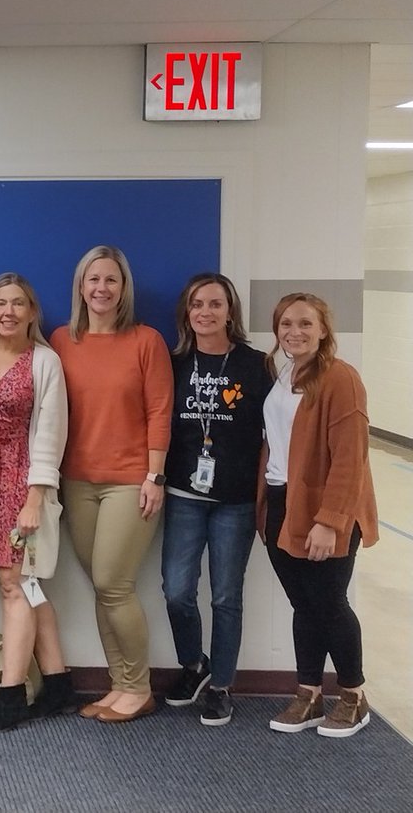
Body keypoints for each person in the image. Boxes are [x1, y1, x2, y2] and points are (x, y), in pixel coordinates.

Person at [49, 245, 172, 724]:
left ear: (124, 289)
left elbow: (160, 411)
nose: (101, 288)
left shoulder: (147, 341)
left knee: (112, 583)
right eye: (93, 280)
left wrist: (154, 475)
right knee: (103, 589)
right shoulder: (61, 340)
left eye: (111, 280)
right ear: (81, 287)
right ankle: (119, 685)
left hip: (130, 483)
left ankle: (138, 687)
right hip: (76, 482)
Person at [0, 274, 75, 735]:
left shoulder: (45, 362)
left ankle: (10, 697)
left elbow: (51, 433)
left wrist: (35, 499)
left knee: (14, 586)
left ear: (32, 312)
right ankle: (59, 684)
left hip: (21, 484)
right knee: (24, 586)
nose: (8, 312)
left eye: (18, 304)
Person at [260, 293, 378, 738]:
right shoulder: (284, 373)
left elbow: (351, 458)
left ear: (324, 330)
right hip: (280, 502)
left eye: (306, 324)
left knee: (329, 603)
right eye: (286, 324)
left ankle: (353, 695)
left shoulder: (341, 378)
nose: (295, 332)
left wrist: (331, 520)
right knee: (304, 604)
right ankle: (308, 692)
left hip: (324, 508)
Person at [161, 273, 271, 727]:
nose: (205, 312)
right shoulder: (173, 362)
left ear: (231, 311)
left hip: (236, 500)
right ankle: (195, 665)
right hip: (184, 494)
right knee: (176, 591)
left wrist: (269, 497)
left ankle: (222, 685)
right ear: (186, 313)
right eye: (196, 304)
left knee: (226, 596)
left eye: (215, 304)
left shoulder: (257, 365)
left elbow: (274, 436)